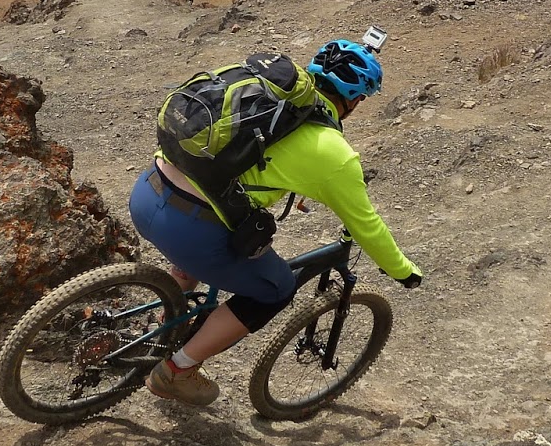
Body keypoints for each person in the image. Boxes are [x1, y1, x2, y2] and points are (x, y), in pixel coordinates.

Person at [126, 38, 423, 406]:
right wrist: (403, 271)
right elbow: (367, 225)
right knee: (276, 289)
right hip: (191, 231)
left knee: (213, 229)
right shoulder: (332, 151)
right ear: (354, 99)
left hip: (146, 193)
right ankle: (177, 371)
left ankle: (166, 322)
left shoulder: (263, 97)